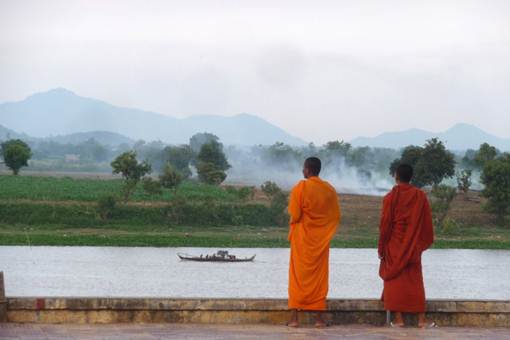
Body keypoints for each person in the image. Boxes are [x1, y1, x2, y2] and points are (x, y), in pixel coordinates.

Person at [378, 164, 435, 328]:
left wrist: (382, 248)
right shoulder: (420, 196)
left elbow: (385, 225)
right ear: (411, 177)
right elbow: (426, 225)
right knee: (415, 281)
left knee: (394, 281)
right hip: (413, 246)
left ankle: (398, 319)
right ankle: (421, 320)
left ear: (396, 176)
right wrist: (418, 244)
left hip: (394, 245)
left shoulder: (390, 197)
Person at [287, 157, 341, 328]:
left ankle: (295, 319)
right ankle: (319, 319)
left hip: (302, 238)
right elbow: (335, 215)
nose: (302, 171)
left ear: (308, 170)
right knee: (319, 278)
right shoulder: (329, 190)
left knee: (297, 276)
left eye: (303, 168)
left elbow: (295, 215)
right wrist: (325, 230)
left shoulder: (301, 187)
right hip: (321, 240)